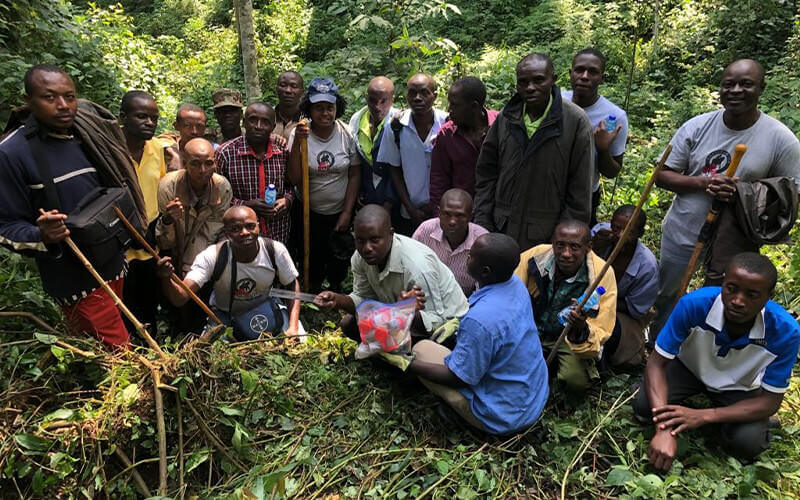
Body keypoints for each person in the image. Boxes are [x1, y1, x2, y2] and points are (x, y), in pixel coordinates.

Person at [0, 64, 147, 348]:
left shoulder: (88, 136)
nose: (63, 105)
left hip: (114, 265)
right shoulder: (12, 153)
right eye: (50, 97)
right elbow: (5, 226)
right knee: (120, 358)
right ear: (29, 101)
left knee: (118, 342)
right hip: (76, 280)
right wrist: (41, 236)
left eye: (69, 96)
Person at [651, 58, 800, 337]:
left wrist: (747, 193)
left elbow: (794, 193)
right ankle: (659, 343)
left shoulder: (780, 138)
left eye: (746, 84)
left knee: (725, 295)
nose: (736, 90)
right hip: (684, 228)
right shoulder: (697, 126)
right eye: (729, 84)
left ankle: (707, 348)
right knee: (668, 291)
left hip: (737, 235)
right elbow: (662, 175)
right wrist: (704, 182)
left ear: (761, 88)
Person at [634, 253, 800, 470]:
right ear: (723, 282)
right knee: (645, 406)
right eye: (731, 288)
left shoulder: (785, 332)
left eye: (752, 295)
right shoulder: (694, 305)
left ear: (769, 296)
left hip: (739, 386)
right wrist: (664, 429)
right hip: (689, 369)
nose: (738, 301)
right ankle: (710, 412)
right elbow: (656, 364)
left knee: (747, 443)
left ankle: (746, 421)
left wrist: (704, 416)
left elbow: (770, 402)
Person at [408, 233, 549, 435]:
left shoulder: (480, 320)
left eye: (471, 256)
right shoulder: (516, 284)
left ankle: (465, 418)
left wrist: (408, 364)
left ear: (485, 271)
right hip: (532, 398)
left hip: (504, 417)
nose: (467, 258)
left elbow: (459, 378)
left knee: (421, 349)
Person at [474, 52, 594, 250]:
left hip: (546, 236)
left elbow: (579, 192)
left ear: (553, 80)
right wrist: (483, 222)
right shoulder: (507, 117)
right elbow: (486, 173)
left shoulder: (575, 121)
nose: (530, 88)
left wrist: (564, 242)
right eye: (523, 82)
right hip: (500, 228)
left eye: (538, 80)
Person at [314, 205, 468, 343]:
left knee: (418, 349)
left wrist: (405, 312)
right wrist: (337, 300)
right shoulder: (360, 258)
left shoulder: (417, 267)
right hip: (399, 318)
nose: (367, 248)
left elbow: (437, 323)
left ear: (391, 234)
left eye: (374, 240)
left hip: (449, 330)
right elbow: (364, 300)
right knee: (350, 324)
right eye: (360, 241)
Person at [156, 205, 300, 338]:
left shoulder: (275, 250)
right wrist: (166, 278)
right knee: (210, 358)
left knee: (297, 345)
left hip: (265, 306)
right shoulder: (212, 256)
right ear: (226, 233)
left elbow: (292, 285)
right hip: (225, 316)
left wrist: (293, 327)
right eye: (236, 229)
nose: (244, 233)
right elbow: (180, 298)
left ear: (258, 227)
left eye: (250, 226)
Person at [514, 220, 617, 392]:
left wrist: (580, 328)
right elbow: (511, 293)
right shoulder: (536, 256)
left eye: (575, 247)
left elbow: (602, 328)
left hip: (568, 337)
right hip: (532, 327)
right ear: (552, 243)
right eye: (560, 245)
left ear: (588, 247)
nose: (566, 254)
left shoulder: (602, 274)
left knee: (575, 382)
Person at [288, 78, 360, 292]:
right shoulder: (299, 133)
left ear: (337, 108)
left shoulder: (347, 133)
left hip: (340, 209)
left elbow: (355, 174)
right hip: (309, 209)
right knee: (311, 253)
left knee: (339, 256)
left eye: (330, 108)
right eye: (319, 108)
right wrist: (297, 145)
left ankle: (336, 290)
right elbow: (294, 179)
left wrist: (347, 212)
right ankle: (313, 290)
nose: (325, 113)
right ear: (309, 109)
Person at [119, 90, 168, 335]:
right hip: (118, 236)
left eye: (154, 118)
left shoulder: (156, 148)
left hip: (148, 233)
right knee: (123, 298)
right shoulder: (110, 151)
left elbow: (160, 184)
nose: (149, 123)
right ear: (123, 117)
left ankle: (151, 341)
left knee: (149, 296)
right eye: (141, 116)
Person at [376, 73, 448, 235]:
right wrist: (410, 208)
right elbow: (394, 169)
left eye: (424, 93)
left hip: (444, 211)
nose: (417, 98)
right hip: (409, 212)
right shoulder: (396, 127)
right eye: (412, 93)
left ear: (434, 96)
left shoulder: (446, 123)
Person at [563, 48, 629, 226]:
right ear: (570, 74)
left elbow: (612, 172)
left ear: (602, 78)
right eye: (579, 70)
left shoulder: (613, 117)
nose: (584, 76)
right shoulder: (556, 102)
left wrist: (603, 148)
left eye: (592, 72)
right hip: (548, 187)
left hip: (584, 195)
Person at [215, 102, 293, 245]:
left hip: (278, 231)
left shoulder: (282, 151)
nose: (258, 126)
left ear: (273, 127)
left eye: (265, 122)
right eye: (253, 120)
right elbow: (215, 198)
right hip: (240, 235)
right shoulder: (225, 153)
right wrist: (245, 205)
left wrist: (287, 200)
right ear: (244, 122)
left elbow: (290, 185)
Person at [591, 205, 658, 367]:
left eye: (629, 231)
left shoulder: (647, 266)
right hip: (585, 297)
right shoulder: (600, 234)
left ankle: (605, 358)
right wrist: (593, 246)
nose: (620, 235)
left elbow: (636, 309)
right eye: (616, 228)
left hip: (620, 312)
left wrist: (601, 303)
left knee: (610, 332)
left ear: (640, 234)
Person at [156, 138, 232, 276]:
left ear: (215, 164)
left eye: (208, 163)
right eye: (195, 164)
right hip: (170, 253)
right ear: (184, 164)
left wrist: (192, 266)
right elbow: (164, 242)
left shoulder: (223, 187)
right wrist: (167, 221)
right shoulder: (168, 186)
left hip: (203, 255)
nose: (203, 170)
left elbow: (210, 233)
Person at [429, 77, 498, 213]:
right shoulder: (446, 134)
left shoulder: (500, 125)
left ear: (473, 107)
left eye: (455, 105)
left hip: (497, 211)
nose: (449, 110)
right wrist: (439, 217)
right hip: (462, 215)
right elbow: (439, 180)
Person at [412, 189, 488, 296]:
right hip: (426, 297)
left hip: (466, 304)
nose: (452, 221)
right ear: (439, 213)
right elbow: (409, 266)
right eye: (447, 214)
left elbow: (482, 289)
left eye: (459, 215)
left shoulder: (482, 241)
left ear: (471, 216)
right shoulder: (425, 230)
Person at [348, 76, 399, 210]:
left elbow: (401, 169)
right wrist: (359, 190)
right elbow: (357, 163)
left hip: (394, 199)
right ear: (366, 97)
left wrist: (389, 202)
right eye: (373, 100)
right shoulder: (357, 120)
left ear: (392, 99)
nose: (377, 107)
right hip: (366, 196)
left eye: (383, 101)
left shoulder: (398, 124)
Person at [160, 103, 209, 171]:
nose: (194, 131)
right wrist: (175, 154)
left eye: (200, 126)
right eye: (187, 125)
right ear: (176, 126)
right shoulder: (165, 152)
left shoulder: (211, 152)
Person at [273, 71, 304, 139]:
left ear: (302, 92)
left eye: (294, 86)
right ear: (276, 89)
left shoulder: (308, 120)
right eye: (283, 85)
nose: (288, 90)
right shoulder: (268, 116)